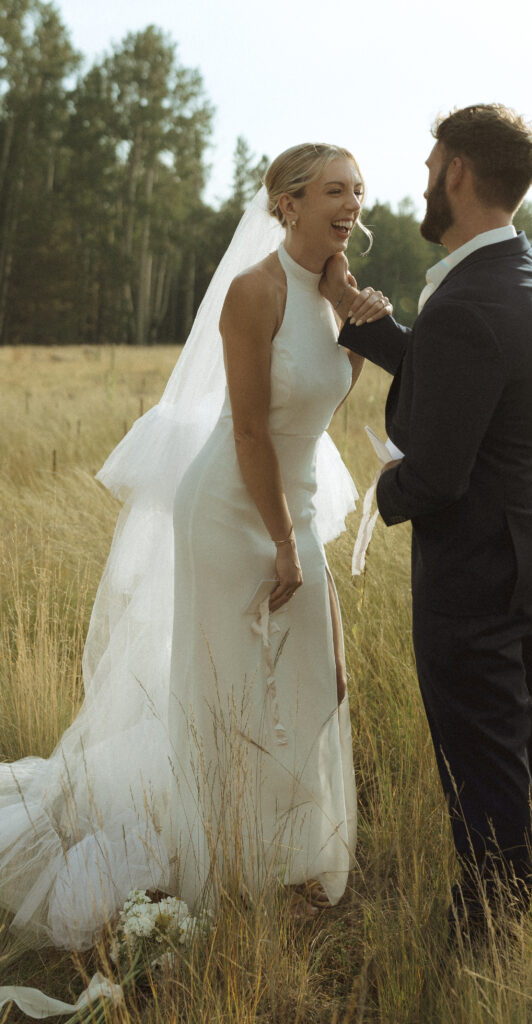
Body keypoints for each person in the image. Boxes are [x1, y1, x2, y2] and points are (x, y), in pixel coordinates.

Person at [0, 143, 391, 962]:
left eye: (357, 190)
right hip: (230, 506)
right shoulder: (253, 293)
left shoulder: (339, 302)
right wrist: (283, 543)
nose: (350, 203)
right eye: (332, 191)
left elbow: (317, 411)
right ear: (285, 204)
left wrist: (355, 313)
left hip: (293, 499)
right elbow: (250, 429)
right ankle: (222, 857)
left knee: (317, 672)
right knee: (228, 684)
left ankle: (282, 850)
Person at [319, 105, 532, 939]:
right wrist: (366, 317)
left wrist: (379, 493)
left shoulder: (470, 297)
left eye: (431, 165)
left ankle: (492, 925)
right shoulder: (530, 277)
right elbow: (461, 372)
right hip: (531, 552)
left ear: (456, 172)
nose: (423, 181)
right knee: (527, 725)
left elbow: (435, 475)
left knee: (481, 751)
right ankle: (530, 900)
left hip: (473, 570)